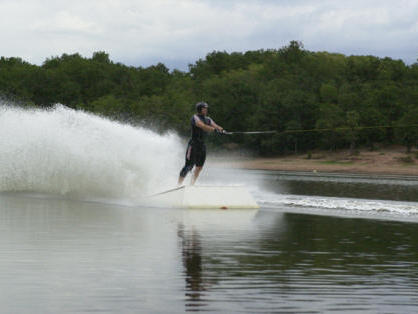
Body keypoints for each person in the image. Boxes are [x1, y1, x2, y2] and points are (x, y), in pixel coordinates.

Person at [178, 102, 225, 186]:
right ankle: (178, 185)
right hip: (193, 145)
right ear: (200, 109)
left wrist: (221, 130)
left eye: (206, 108)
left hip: (202, 146)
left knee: (199, 167)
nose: (206, 110)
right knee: (189, 166)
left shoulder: (208, 119)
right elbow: (202, 126)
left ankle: (191, 185)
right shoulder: (195, 117)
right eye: (204, 108)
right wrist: (214, 130)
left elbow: (216, 126)